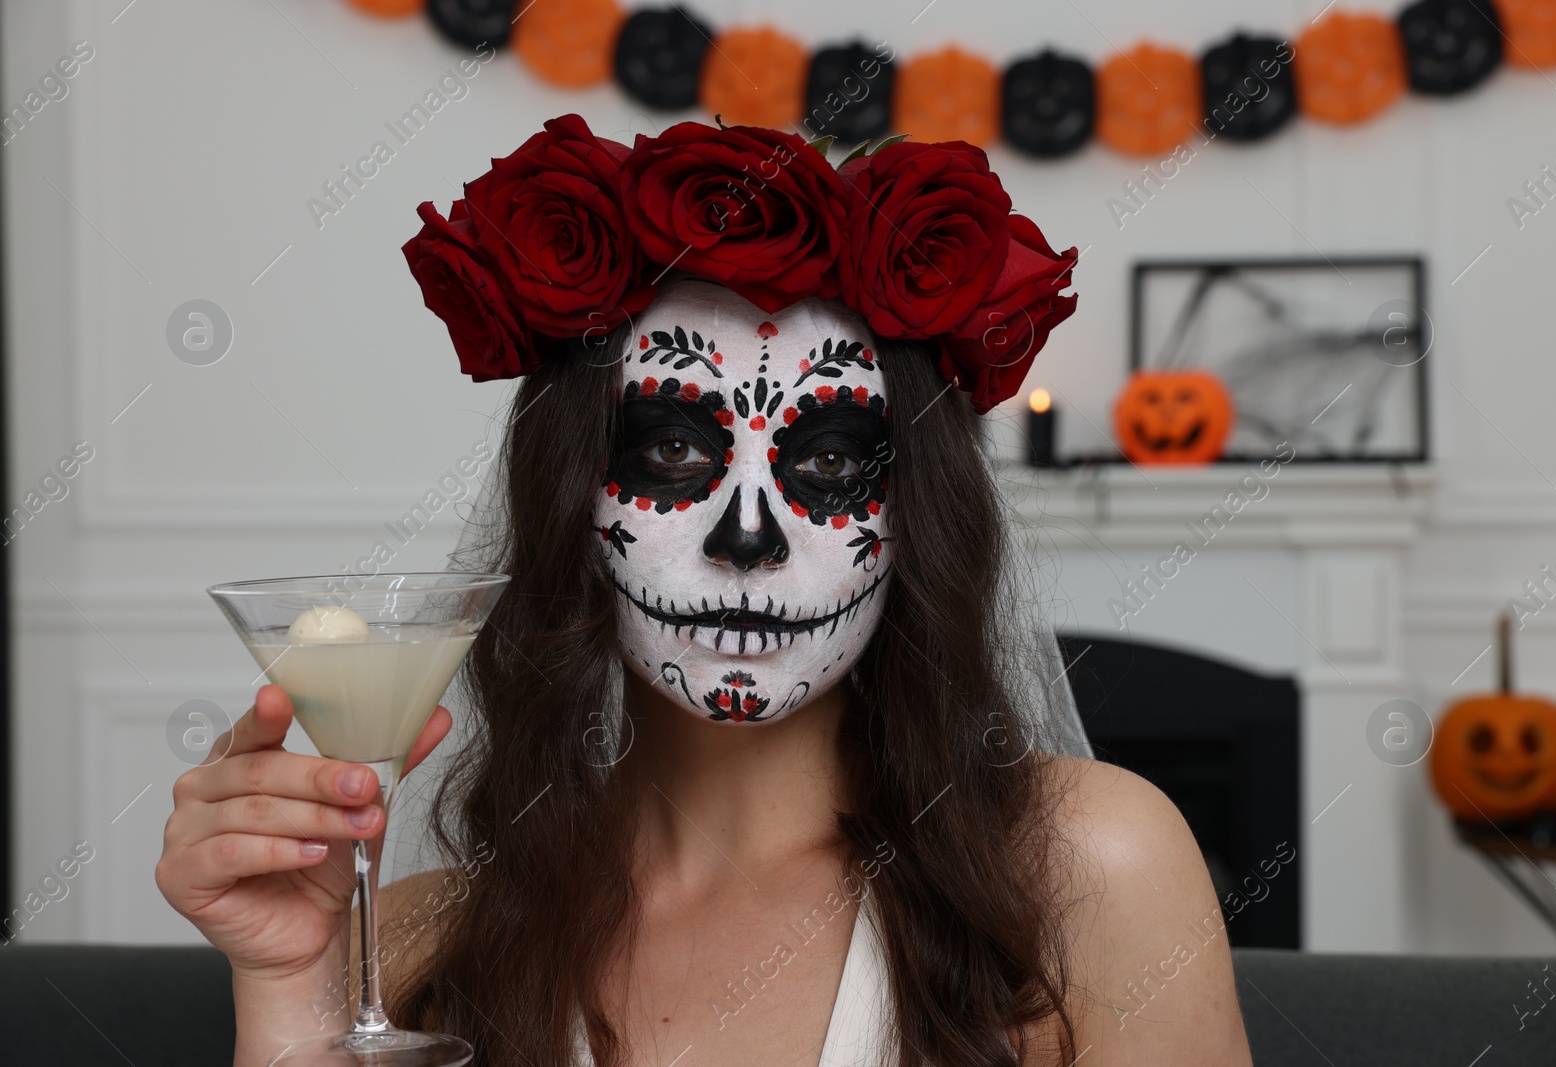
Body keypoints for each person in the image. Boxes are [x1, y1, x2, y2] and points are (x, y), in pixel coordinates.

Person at [157, 115, 1251, 1066]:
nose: (745, 536)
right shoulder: (409, 944)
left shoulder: (1086, 868)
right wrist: (292, 990)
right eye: (673, 452)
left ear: (917, 513)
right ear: (569, 503)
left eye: (826, 465)